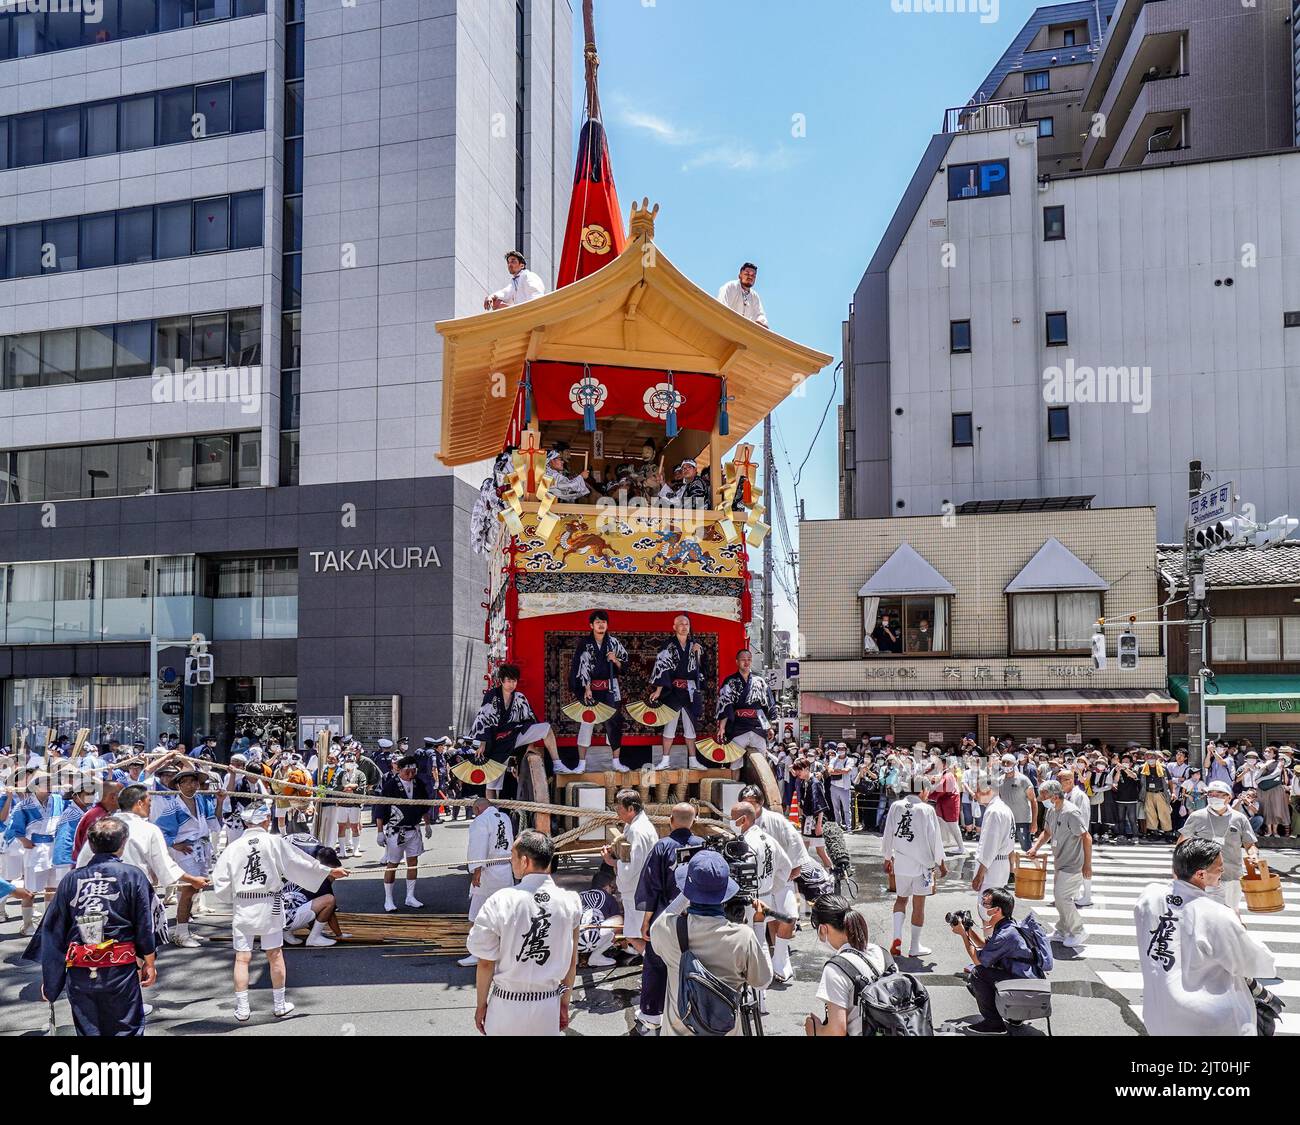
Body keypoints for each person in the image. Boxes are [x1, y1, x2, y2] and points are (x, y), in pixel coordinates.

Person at [210, 801, 348, 1022]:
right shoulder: (274, 842)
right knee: (274, 955)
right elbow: (299, 863)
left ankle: (243, 1008)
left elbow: (221, 882)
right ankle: (279, 1004)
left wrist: (233, 897)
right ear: (266, 820)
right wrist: (329, 871)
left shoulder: (232, 847)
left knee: (242, 958)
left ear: (246, 822)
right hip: (270, 903)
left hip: (243, 904)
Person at [1135, 838, 1276, 1036]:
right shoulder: (1216, 915)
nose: (1222, 872)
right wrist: (1238, 925)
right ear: (1201, 874)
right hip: (1210, 1022)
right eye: (1219, 869)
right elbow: (1256, 963)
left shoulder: (1149, 897)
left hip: (1159, 1015)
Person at [40, 818, 158, 1037]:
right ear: (123, 842)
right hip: (119, 969)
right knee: (125, 1027)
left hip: (80, 970)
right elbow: (144, 923)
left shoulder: (71, 879)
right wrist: (149, 962)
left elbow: (53, 931)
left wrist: (51, 979)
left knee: (89, 1029)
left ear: (90, 844)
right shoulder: (132, 875)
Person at [467, 830, 582, 1036]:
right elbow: (572, 962)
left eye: (512, 856)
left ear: (525, 861)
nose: (511, 862)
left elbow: (485, 962)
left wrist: (481, 1004)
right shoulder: (570, 902)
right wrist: (564, 1002)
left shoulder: (500, 900)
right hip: (547, 1005)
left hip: (506, 1006)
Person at [650, 849, 773, 1037]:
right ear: (725, 893)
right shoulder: (742, 937)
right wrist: (758, 925)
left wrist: (691, 888)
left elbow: (667, 914)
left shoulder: (668, 930)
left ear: (688, 889)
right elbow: (763, 981)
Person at [632, 802, 703, 1034]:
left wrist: (645, 922)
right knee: (696, 963)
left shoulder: (662, 847)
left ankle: (652, 1015)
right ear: (695, 820)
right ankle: (695, 1011)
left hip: (666, 917)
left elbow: (651, 887)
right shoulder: (703, 847)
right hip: (698, 918)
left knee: (655, 963)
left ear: (671, 820)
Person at [739, 783, 807, 983]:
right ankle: (769, 964)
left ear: (760, 803)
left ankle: (780, 958)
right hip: (755, 883)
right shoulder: (740, 821)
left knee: (788, 917)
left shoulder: (776, 820)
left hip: (781, 877)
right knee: (762, 921)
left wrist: (792, 871)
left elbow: (795, 846)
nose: (749, 806)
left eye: (752, 803)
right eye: (745, 802)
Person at [949, 885, 1038, 1035]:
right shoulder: (1008, 925)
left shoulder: (1005, 934)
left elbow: (978, 960)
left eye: (986, 904)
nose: (983, 907)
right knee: (981, 972)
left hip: (1023, 982)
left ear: (997, 910)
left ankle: (994, 1023)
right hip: (1026, 977)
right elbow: (985, 946)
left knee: (977, 973)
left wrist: (963, 935)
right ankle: (1014, 1017)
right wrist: (968, 929)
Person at [729, 800, 791, 1014]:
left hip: (748, 900)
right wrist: (773, 887)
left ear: (743, 819)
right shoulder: (768, 839)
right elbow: (787, 867)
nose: (731, 822)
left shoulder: (745, 843)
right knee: (761, 943)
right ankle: (762, 995)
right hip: (765, 897)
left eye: (732, 818)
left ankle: (757, 992)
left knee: (749, 946)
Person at [469, 663, 577, 780]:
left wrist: (530, 745)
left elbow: (530, 721)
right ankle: (492, 798)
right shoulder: (492, 696)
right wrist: (483, 742)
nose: (512, 684)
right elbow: (483, 719)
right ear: (501, 680)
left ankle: (557, 764)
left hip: (514, 737)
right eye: (509, 681)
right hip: (494, 742)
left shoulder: (520, 698)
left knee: (546, 728)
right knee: (493, 783)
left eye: (514, 681)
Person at [804, 896, 892, 1037]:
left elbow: (836, 1032)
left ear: (823, 929)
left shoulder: (836, 969)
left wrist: (814, 1030)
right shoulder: (882, 953)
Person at [150, 767, 215, 947]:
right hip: (185, 850)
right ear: (178, 785)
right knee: (187, 889)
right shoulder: (174, 806)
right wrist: (174, 844)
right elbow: (159, 829)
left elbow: (213, 821)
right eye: (184, 782)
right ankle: (180, 932)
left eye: (193, 781)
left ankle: (184, 929)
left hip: (201, 848)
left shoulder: (200, 800)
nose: (190, 785)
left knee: (194, 889)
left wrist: (220, 801)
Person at [882, 778, 947, 959]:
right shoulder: (927, 810)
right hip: (922, 865)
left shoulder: (896, 806)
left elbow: (888, 833)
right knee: (919, 904)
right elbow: (936, 839)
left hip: (901, 862)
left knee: (901, 900)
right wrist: (941, 862)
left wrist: (887, 857)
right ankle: (914, 946)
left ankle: (896, 937)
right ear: (923, 790)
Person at [1025, 780, 1092, 949]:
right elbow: (1047, 832)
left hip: (1073, 863)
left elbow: (1086, 837)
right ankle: (1062, 929)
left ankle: (1078, 930)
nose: (1042, 799)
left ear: (1054, 796)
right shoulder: (1052, 810)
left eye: (1044, 795)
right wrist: (1035, 848)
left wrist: (1087, 865)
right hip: (1060, 860)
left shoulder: (1071, 812)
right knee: (1059, 897)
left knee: (1063, 897)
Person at [1178, 780, 1259, 914]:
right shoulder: (1197, 816)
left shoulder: (1240, 818)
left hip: (1232, 875)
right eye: (1211, 794)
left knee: (1232, 913)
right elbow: (1181, 844)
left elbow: (1249, 844)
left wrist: (1253, 855)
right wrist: (1179, 874)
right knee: (1205, 916)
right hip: (1203, 878)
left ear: (1229, 797)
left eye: (1219, 794)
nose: (1214, 797)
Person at [570, 610, 632, 771]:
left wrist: (615, 660)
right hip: (590, 688)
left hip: (610, 687)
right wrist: (587, 688)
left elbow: (626, 664)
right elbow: (580, 667)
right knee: (587, 722)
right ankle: (581, 764)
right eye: (597, 622)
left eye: (603, 621)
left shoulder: (613, 643)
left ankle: (616, 762)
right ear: (591, 625)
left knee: (614, 724)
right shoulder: (585, 644)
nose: (601, 624)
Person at [4, 771, 66, 934]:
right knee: (30, 890)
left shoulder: (58, 800)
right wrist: (25, 842)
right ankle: (28, 925)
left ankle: (49, 923)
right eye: (46, 784)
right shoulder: (24, 805)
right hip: (35, 848)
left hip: (54, 847)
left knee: (52, 888)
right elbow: (14, 828)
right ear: (36, 787)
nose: (50, 787)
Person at [458, 794, 516, 967]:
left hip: (488, 872)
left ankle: (477, 953)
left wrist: (476, 872)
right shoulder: (504, 817)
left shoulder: (481, 821)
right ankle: (506, 952)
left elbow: (478, 847)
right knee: (504, 913)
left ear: (477, 809)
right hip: (505, 870)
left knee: (476, 915)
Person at [374, 754, 434, 912]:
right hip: (396, 830)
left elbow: (424, 805)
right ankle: (388, 899)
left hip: (414, 829)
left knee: (413, 863)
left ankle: (410, 896)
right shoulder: (390, 785)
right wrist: (380, 831)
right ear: (399, 770)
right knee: (392, 864)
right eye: (408, 772)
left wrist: (427, 824)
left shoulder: (418, 783)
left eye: (414, 771)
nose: (411, 775)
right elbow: (380, 809)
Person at [602, 789, 658, 954]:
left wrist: (611, 861)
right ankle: (653, 964)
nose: (617, 812)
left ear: (631, 809)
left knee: (634, 934)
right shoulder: (636, 825)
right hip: (642, 888)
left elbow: (633, 866)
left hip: (637, 890)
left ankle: (653, 964)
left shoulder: (637, 830)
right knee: (639, 932)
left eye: (619, 808)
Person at [649, 615, 707, 771]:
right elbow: (661, 667)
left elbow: (702, 670)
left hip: (689, 690)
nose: (684, 626)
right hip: (673, 691)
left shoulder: (695, 645)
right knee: (670, 726)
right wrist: (659, 689)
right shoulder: (668, 645)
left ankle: (693, 760)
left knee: (691, 728)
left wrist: (698, 655)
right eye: (680, 624)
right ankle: (665, 760)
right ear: (674, 627)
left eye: (686, 623)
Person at [716, 648, 776, 762]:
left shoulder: (760, 681)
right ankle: (734, 780)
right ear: (737, 661)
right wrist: (722, 728)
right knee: (735, 762)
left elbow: (767, 707)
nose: (746, 662)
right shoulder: (730, 681)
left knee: (762, 762)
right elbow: (725, 706)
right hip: (738, 726)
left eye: (749, 659)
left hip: (757, 725)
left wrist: (769, 728)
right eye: (743, 659)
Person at [971, 777, 1015, 926]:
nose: (976, 794)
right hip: (1001, 864)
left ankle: (990, 945)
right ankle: (993, 944)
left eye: (978, 790)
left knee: (987, 912)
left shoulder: (995, 811)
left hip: (992, 865)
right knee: (995, 910)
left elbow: (989, 846)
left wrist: (979, 874)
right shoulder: (1005, 809)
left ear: (987, 790)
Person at [792, 756, 832, 869]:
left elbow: (820, 805)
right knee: (803, 849)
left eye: (799, 770)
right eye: (796, 770)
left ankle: (832, 872)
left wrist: (819, 824)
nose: (797, 772)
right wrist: (800, 818)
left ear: (806, 768)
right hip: (807, 819)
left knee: (820, 851)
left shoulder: (815, 783)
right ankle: (803, 872)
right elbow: (801, 801)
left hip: (816, 820)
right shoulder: (803, 782)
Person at [997, 753, 1037, 852]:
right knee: (1005, 848)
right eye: (1003, 762)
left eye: (1008, 762)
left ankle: (1037, 866)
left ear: (1014, 764)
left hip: (1022, 820)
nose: (1006, 765)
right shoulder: (999, 780)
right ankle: (1010, 867)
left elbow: (1033, 801)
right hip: (1006, 820)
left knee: (1027, 848)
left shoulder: (1023, 780)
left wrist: (1034, 822)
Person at [717, 263, 769, 327]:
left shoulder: (754, 296)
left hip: (743, 332)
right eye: (747, 274)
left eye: (753, 275)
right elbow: (721, 308)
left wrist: (760, 323)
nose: (750, 277)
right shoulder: (730, 287)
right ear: (740, 275)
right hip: (726, 326)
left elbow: (761, 317)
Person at [825, 743, 855, 830]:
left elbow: (847, 771)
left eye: (843, 749)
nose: (841, 751)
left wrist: (836, 771)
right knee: (836, 809)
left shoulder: (850, 760)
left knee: (846, 809)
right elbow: (830, 771)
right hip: (834, 787)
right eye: (839, 749)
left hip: (845, 788)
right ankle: (838, 826)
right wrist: (839, 771)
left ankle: (849, 828)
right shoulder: (834, 759)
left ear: (846, 750)